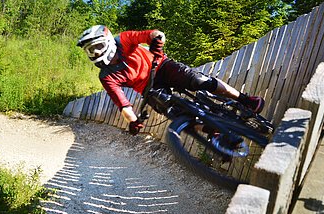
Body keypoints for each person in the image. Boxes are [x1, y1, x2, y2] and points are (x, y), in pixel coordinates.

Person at [76, 25, 264, 136]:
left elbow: (154, 34)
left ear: (108, 40)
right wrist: (133, 122)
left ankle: (245, 99)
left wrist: (156, 43)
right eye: (90, 51)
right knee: (176, 115)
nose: (96, 53)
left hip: (161, 65)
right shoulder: (106, 76)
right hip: (149, 88)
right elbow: (123, 105)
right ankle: (214, 130)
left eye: (98, 46)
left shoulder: (123, 39)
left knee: (200, 81)